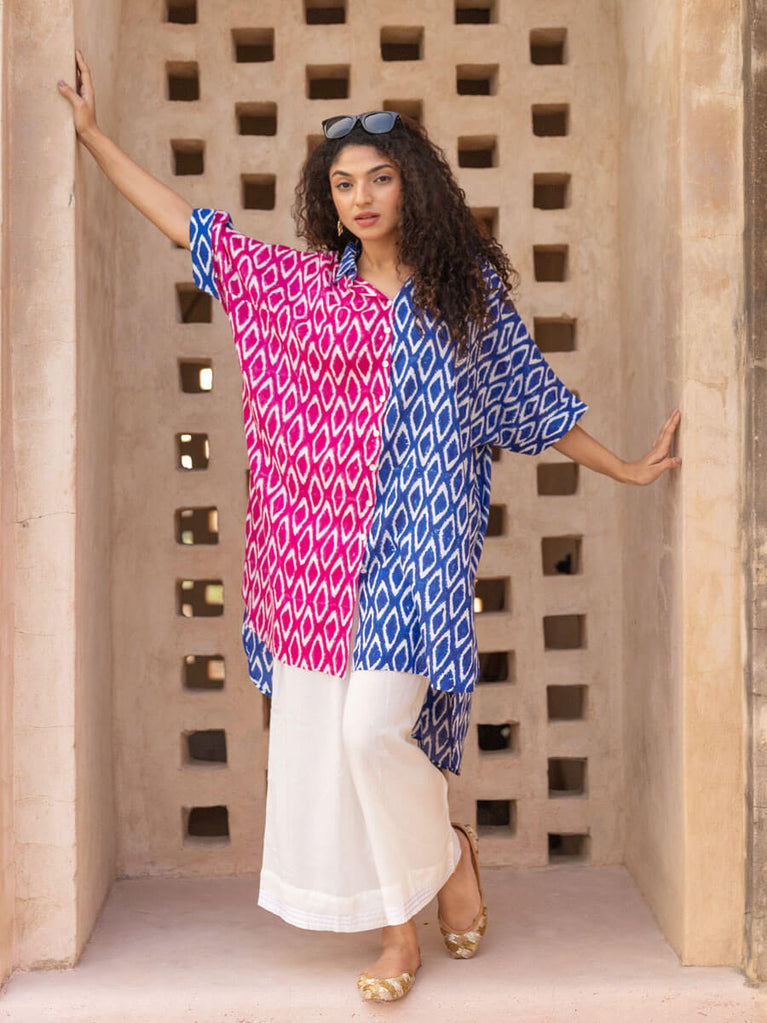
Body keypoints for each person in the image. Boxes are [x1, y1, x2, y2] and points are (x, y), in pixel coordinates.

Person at [58, 51, 681, 1004]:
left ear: (411, 184)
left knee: (370, 734)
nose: (360, 198)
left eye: (378, 178)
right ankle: (408, 920)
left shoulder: (463, 295)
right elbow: (192, 230)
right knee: (343, 744)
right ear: (328, 197)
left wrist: (627, 467)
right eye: (343, 183)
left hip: (419, 555)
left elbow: (531, 401)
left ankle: (443, 859)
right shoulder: (303, 287)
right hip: (316, 562)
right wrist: (96, 139)